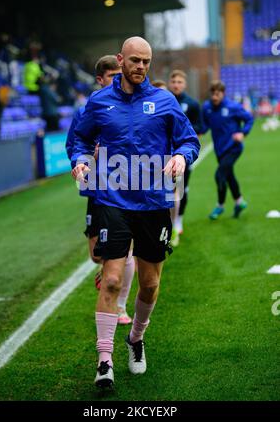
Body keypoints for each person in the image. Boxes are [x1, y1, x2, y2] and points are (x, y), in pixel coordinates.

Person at [71, 37, 200, 388]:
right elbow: (79, 141)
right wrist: (80, 161)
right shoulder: (99, 102)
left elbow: (189, 141)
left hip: (154, 204)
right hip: (112, 201)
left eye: (146, 61)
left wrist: (180, 156)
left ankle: (136, 339)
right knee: (111, 279)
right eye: (134, 60)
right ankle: (104, 360)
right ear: (120, 60)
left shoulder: (164, 101)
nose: (141, 66)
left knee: (150, 283)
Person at [66, 55, 135, 326]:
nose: (117, 80)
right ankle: (107, 275)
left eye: (120, 74)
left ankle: (119, 304)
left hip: (120, 189)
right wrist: (84, 161)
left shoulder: (129, 105)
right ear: (100, 79)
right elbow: (74, 145)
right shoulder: (86, 111)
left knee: (124, 251)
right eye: (111, 76)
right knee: (97, 254)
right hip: (95, 190)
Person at [202, 80, 254, 220]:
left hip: (233, 148)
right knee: (229, 176)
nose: (214, 97)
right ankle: (239, 201)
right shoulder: (207, 107)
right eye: (212, 93)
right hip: (219, 149)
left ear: (223, 94)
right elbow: (205, 126)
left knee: (219, 175)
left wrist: (243, 133)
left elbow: (249, 119)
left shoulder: (233, 106)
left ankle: (220, 206)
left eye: (217, 94)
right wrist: (196, 132)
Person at [168, 70, 202, 245]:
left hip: (183, 152)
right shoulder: (164, 101)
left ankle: (178, 220)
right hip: (164, 153)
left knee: (181, 188)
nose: (176, 84)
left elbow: (200, 126)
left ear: (185, 84)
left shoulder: (192, 104)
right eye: (173, 81)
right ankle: (167, 222)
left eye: (180, 81)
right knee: (166, 189)